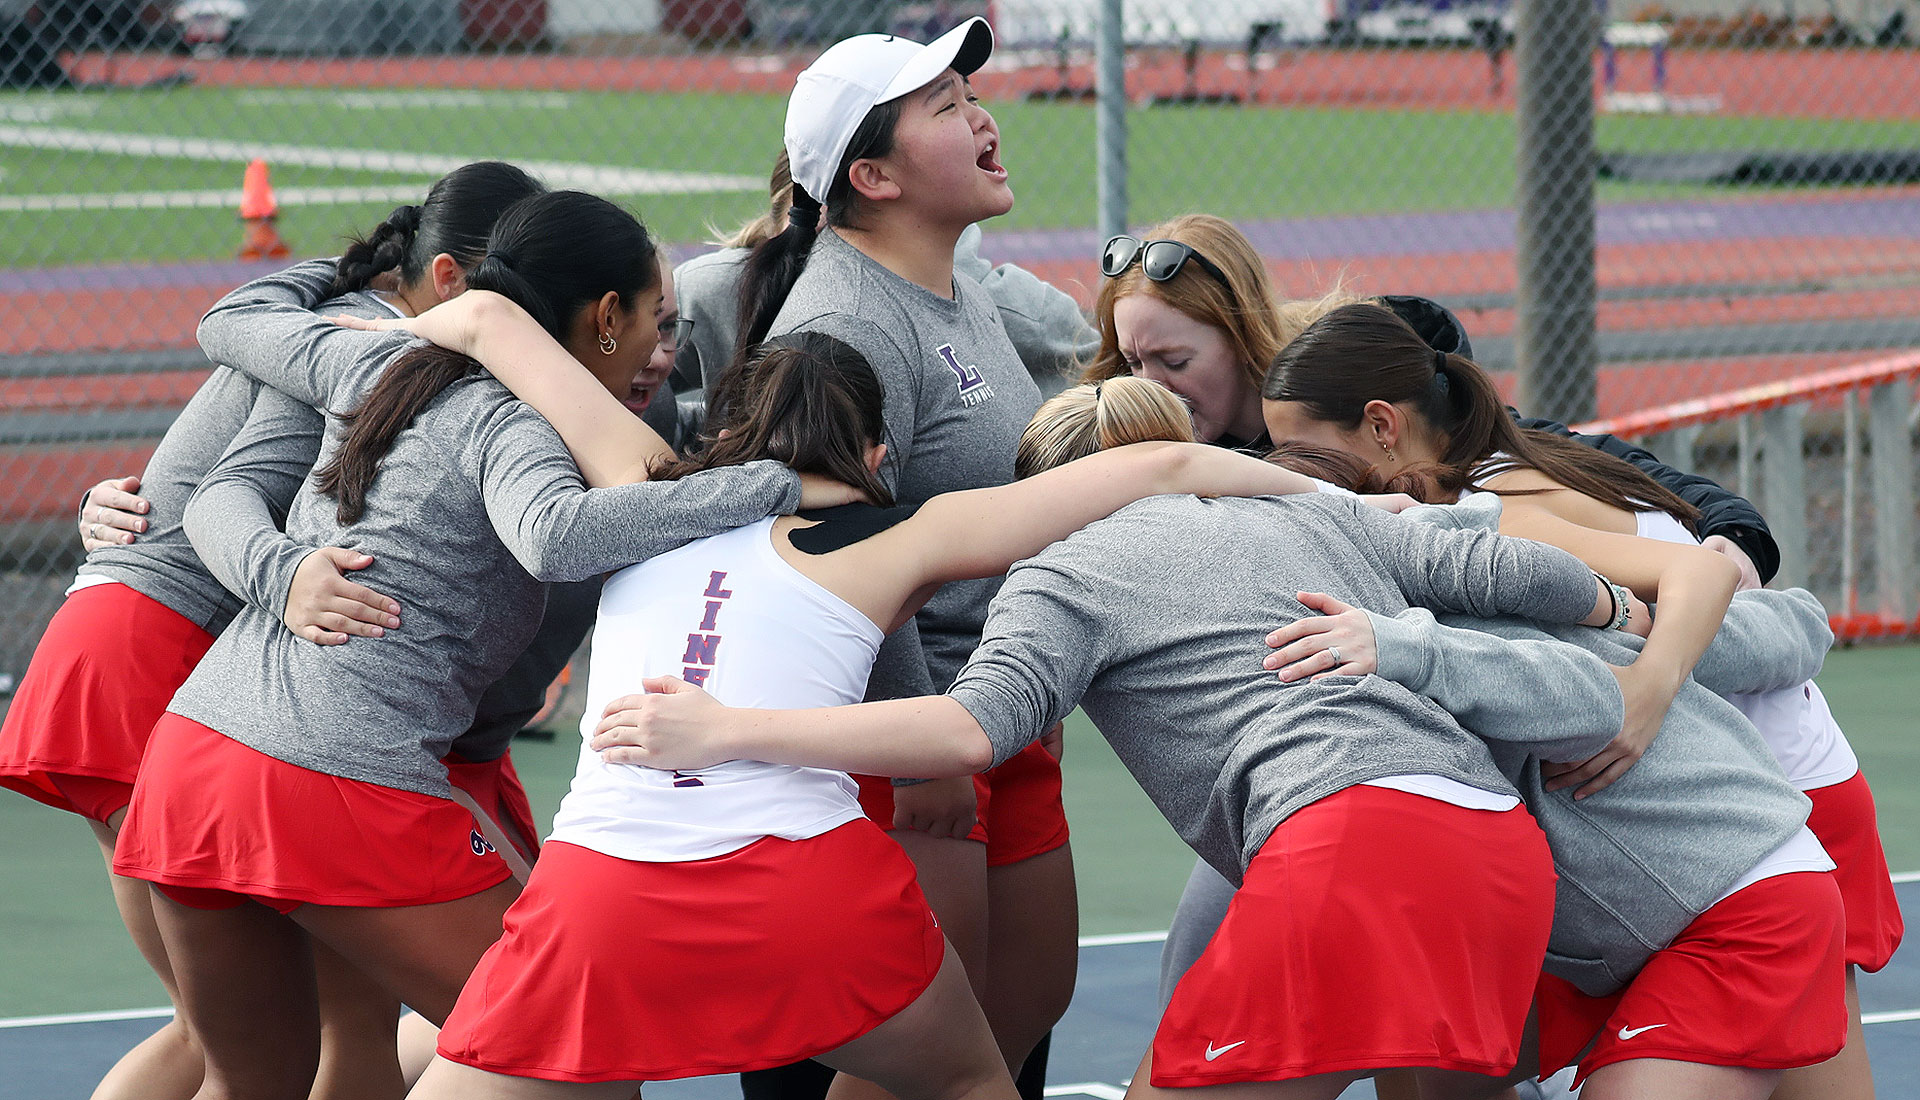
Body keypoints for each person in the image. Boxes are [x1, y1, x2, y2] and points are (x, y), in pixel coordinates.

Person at [328, 301, 1340, 1096]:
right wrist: (1355, 503)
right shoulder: (902, 536)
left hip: (605, 895)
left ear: (727, 431)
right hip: (806, 892)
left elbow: (485, 319)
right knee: (969, 1081)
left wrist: (354, 339)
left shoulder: (643, 483)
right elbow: (1160, 463)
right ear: (875, 456)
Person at [108, 191, 828, 1100]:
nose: (663, 346)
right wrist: (774, 484)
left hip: (193, 760)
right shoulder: (509, 418)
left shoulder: (381, 358)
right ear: (607, 316)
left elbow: (230, 325)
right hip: (333, 778)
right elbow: (558, 535)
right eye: (657, 317)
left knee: (256, 1079)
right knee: (581, 1049)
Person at [0, 160, 546, 1100]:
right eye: (519, 294)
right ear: (451, 278)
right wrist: (284, 576)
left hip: (162, 650)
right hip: (164, 656)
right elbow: (225, 492)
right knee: (276, 1037)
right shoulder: (356, 345)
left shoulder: (357, 330)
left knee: (281, 1037)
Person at [1261, 303, 1866, 1097]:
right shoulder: (1460, 499)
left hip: (1760, 801)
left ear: (1381, 426)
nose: (1283, 473)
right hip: (1663, 830)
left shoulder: (1493, 518)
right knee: (1428, 1059)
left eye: (1298, 452)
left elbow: (1717, 587)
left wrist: (1643, 693)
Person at [723, 20, 1076, 1095]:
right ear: (872, 177)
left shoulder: (949, 283)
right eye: (946, 107)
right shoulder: (848, 323)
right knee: (926, 1064)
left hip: (995, 716)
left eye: (971, 95)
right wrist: (921, 754)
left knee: (1016, 1021)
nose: (983, 117)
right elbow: (829, 542)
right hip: (909, 742)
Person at [674, 148, 1095, 402]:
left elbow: (1110, 384)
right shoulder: (709, 292)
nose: (837, 255)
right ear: (780, 222)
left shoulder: (1005, 309)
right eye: (824, 226)